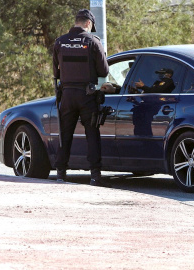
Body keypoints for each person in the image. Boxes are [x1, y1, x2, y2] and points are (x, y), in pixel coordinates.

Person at [52, 9, 111, 187]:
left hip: (67, 95)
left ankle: (61, 173)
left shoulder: (60, 42)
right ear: (88, 23)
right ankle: (95, 175)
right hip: (87, 95)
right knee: (92, 134)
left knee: (65, 134)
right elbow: (104, 70)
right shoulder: (93, 41)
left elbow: (56, 71)